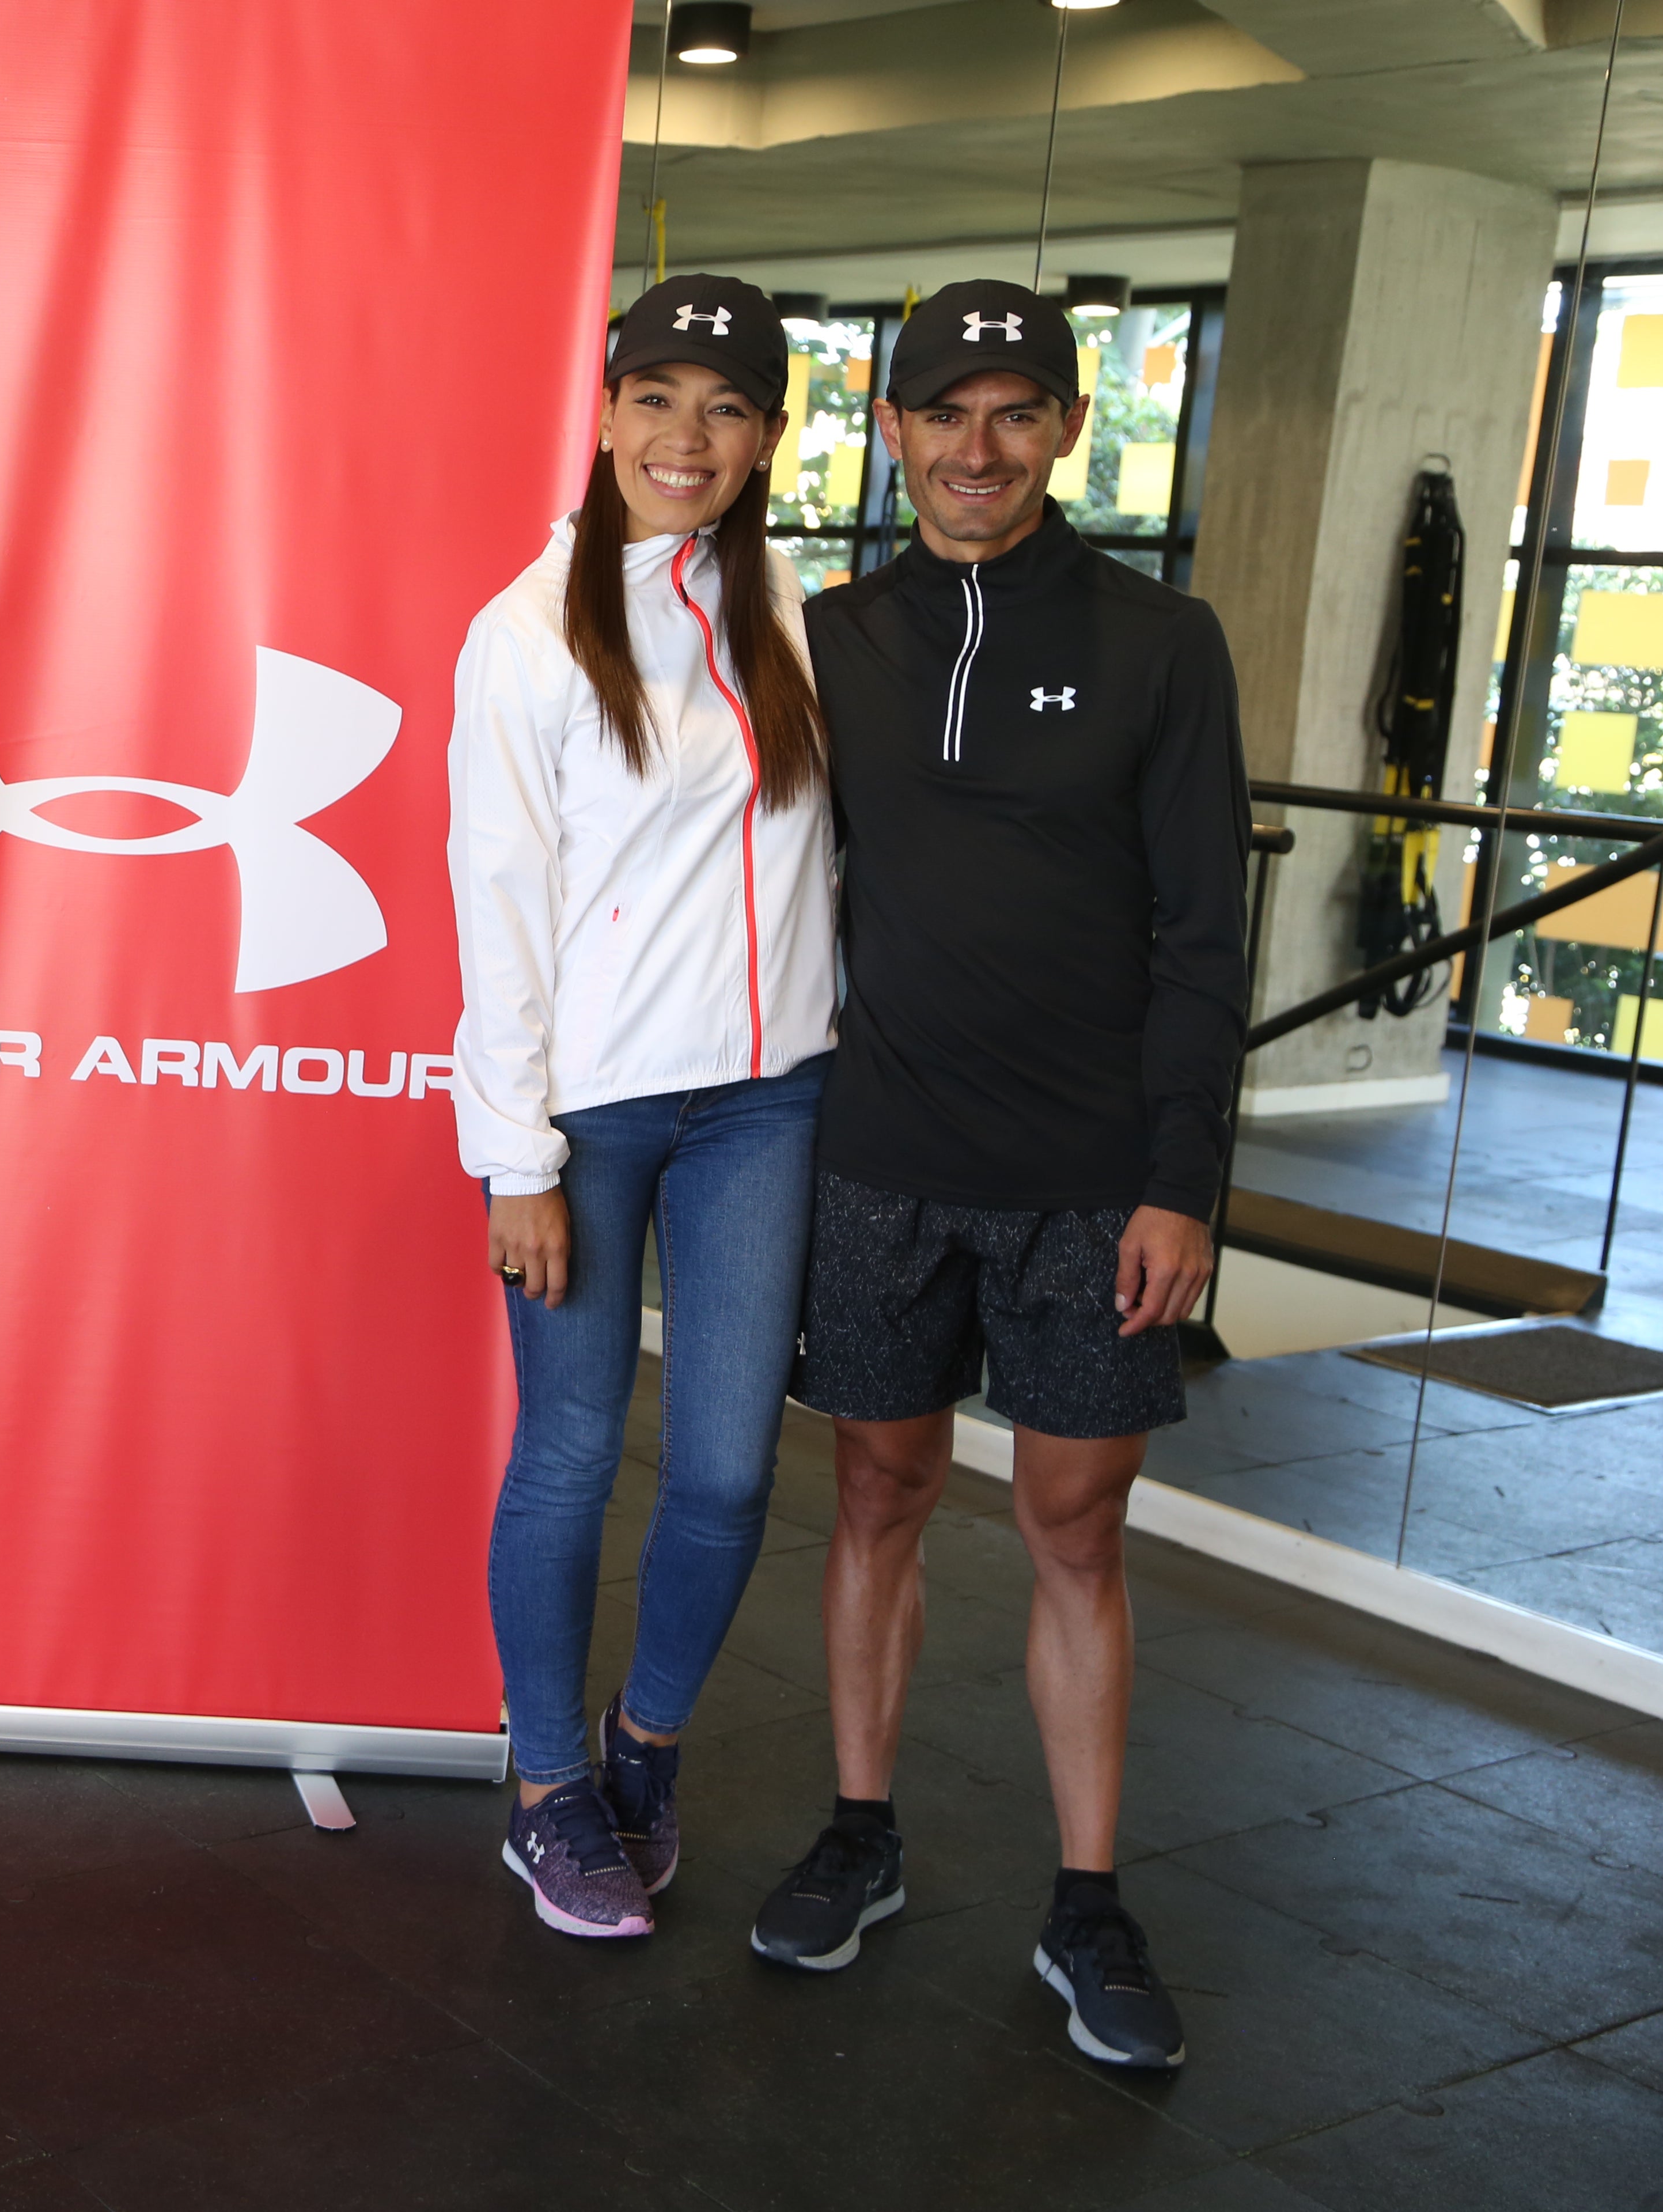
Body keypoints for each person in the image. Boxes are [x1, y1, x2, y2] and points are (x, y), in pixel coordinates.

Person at [753, 279, 1248, 2071]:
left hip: (1090, 1181)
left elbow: (1204, 932)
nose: (980, 449)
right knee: (876, 1496)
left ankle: (1089, 1901)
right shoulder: (826, 634)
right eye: (946, 414)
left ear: (1065, 431)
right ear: (891, 432)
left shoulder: (1161, 641)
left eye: (1016, 413)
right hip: (881, 1158)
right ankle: (860, 1833)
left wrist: (1182, 1181)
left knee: (1073, 1529)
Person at [448, 272, 837, 1941]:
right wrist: (514, 1159)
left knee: (733, 1472)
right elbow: (498, 906)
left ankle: (644, 1746)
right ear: (605, 413)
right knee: (573, 1452)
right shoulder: (527, 633)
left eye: (728, 407)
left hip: (766, 1102)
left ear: (767, 438)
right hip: (591, 1117)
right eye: (659, 398)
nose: (689, 436)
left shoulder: (784, 601)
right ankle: (547, 1789)